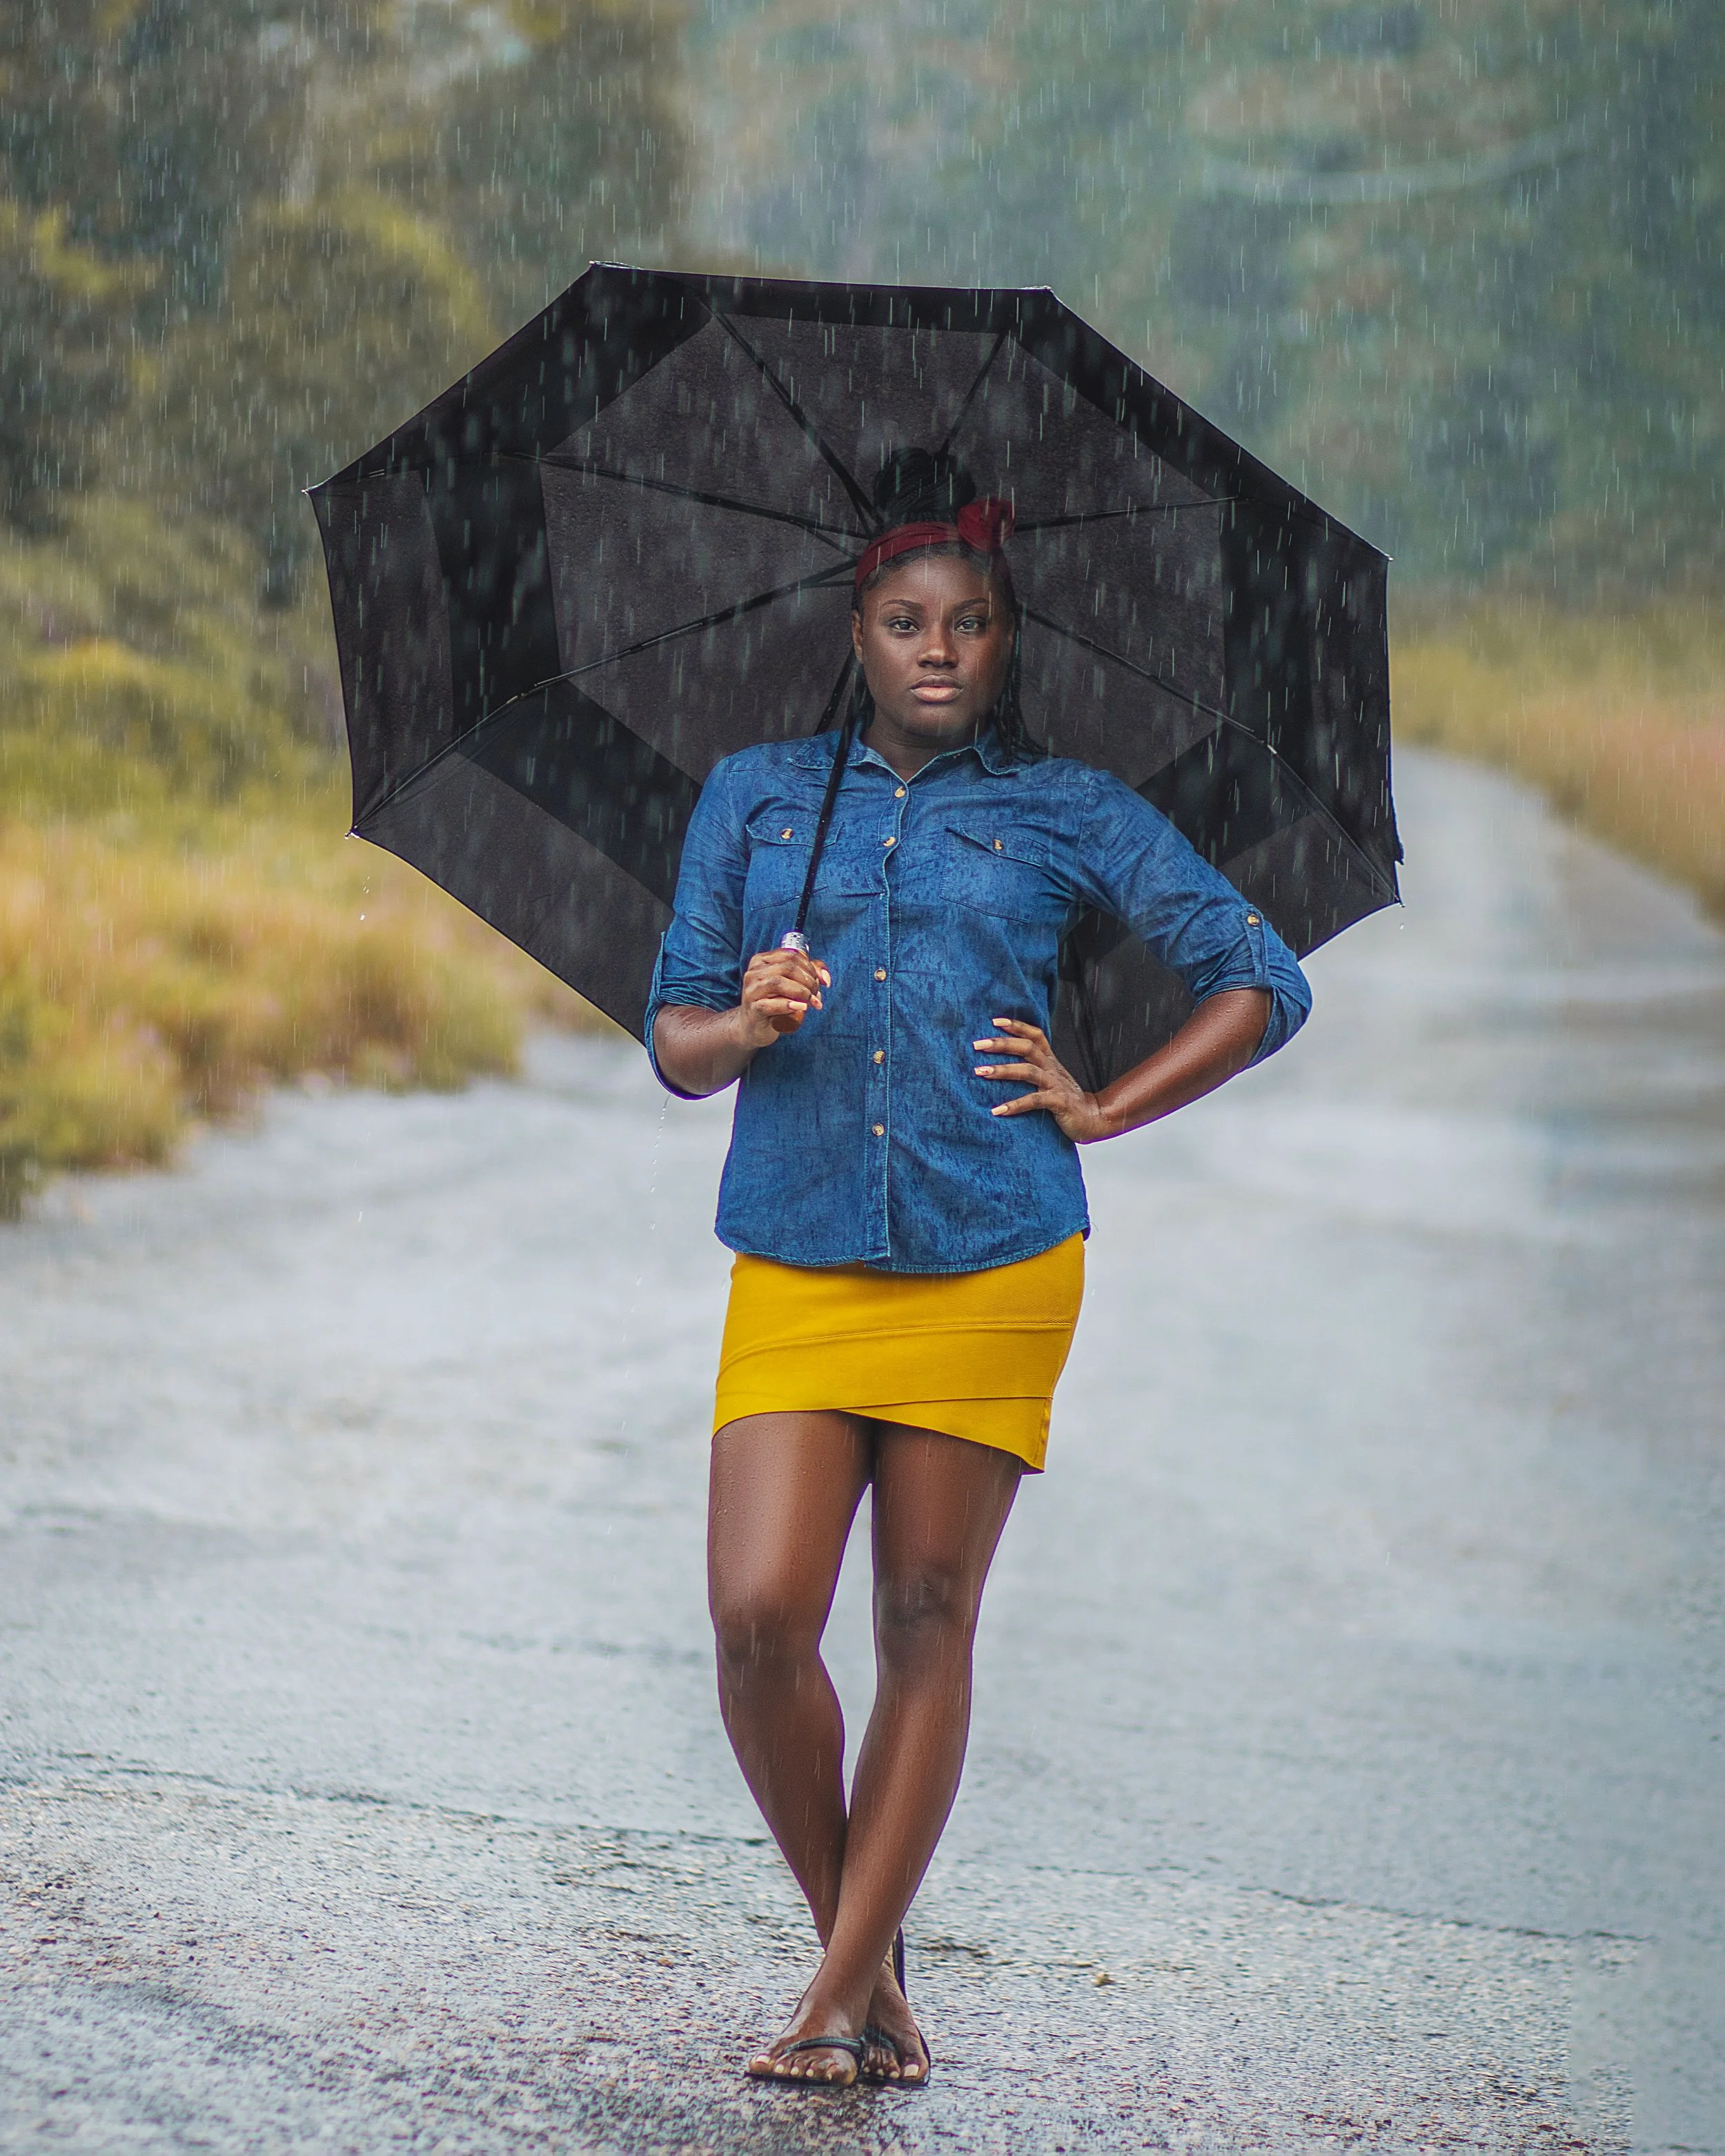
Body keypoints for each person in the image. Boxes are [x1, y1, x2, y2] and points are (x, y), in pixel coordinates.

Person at [646, 451, 1310, 2088]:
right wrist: (749, 1020)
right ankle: (862, 1959)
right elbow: (671, 1036)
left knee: (924, 1615)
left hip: (996, 1248)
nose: (938, 648)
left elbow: (1258, 974)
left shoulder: (1067, 811)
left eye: (972, 622)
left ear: (1010, 640)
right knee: (752, 1619)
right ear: (855, 631)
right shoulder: (753, 796)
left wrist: (1104, 1103)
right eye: (904, 619)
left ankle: (830, 1996)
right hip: (795, 1245)